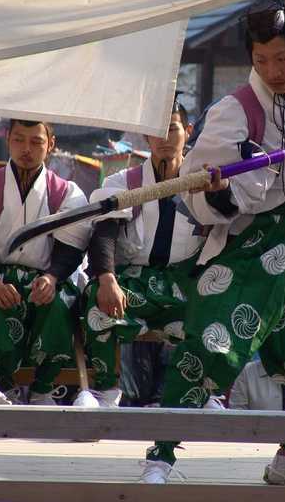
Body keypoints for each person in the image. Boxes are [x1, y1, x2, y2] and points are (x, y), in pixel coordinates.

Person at [138, 0, 285, 487]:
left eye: (283, 58)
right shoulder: (232, 114)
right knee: (212, 341)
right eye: (261, 59)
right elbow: (205, 203)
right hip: (251, 242)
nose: (272, 70)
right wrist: (221, 190)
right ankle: (160, 456)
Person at [80, 103, 206, 407]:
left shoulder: (204, 182)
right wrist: (107, 278)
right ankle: (106, 390)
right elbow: (103, 235)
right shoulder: (122, 183)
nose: (164, 138)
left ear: (187, 133)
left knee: (218, 304)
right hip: (134, 286)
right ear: (146, 138)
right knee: (96, 298)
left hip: (185, 286)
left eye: (172, 129)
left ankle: (204, 394)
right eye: (156, 131)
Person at [0, 119, 89, 405]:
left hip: (44, 276)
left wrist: (52, 278)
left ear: (50, 144)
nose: (26, 149)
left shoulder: (66, 192)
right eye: (19, 140)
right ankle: (1, 385)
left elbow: (72, 247)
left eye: (36, 141)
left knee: (60, 305)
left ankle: (44, 387)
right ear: (8, 140)